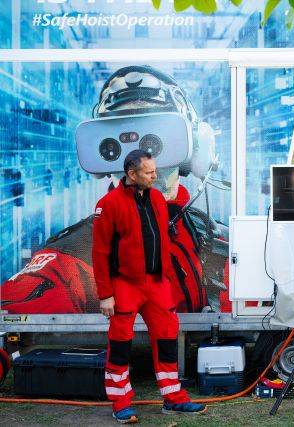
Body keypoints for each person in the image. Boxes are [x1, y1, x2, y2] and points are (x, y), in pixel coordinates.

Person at [1, 65, 230, 314]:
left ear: (195, 147)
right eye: (119, 141)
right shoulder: (70, 260)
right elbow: (14, 318)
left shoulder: (222, 243)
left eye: (154, 139)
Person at [93, 150, 206, 423]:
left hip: (156, 284)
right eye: (149, 172)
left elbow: (162, 240)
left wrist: (165, 277)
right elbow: (100, 252)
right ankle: (120, 402)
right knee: (120, 344)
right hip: (124, 286)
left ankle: (174, 398)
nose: (155, 176)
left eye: (155, 171)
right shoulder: (108, 204)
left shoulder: (156, 198)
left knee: (168, 336)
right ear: (132, 175)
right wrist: (106, 294)